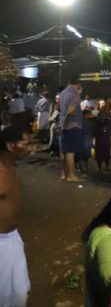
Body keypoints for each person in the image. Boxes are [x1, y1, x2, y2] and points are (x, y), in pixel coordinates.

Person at [0, 125, 33, 307]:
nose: (31, 148)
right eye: (26, 144)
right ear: (11, 146)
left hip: (13, 240)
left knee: (19, 294)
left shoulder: (12, 167)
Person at [58, 77, 85, 182]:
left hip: (64, 124)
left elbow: (63, 109)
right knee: (70, 151)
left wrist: (62, 124)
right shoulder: (74, 94)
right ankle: (71, 175)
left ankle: (64, 173)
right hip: (72, 125)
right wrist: (64, 123)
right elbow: (70, 111)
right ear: (78, 84)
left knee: (64, 149)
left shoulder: (63, 93)